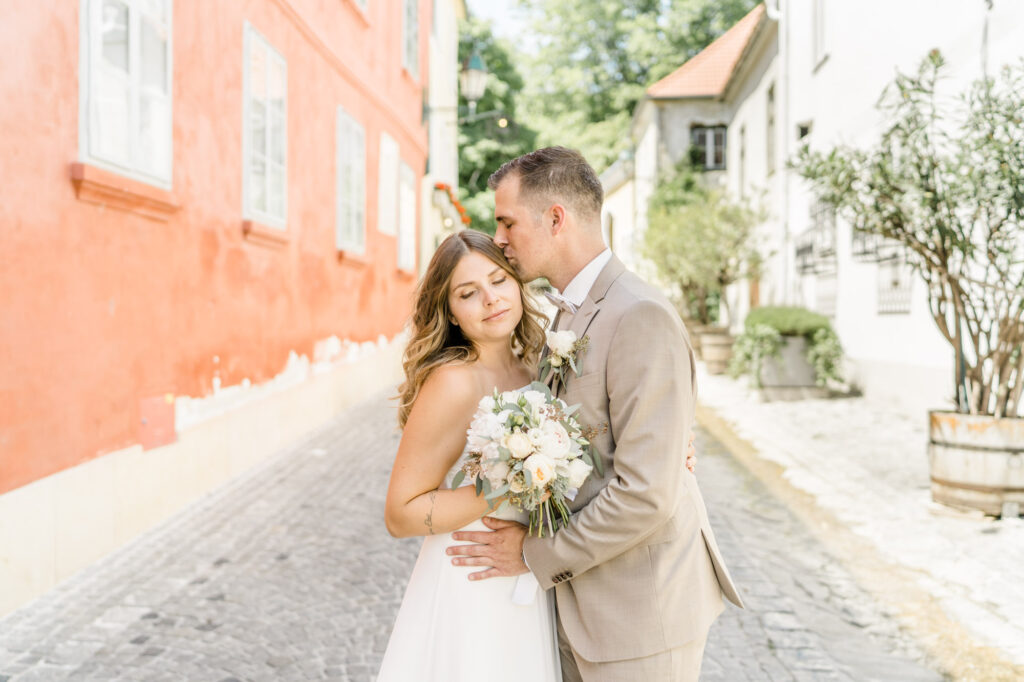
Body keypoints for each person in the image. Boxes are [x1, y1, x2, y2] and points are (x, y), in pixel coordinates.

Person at [445, 147, 744, 682]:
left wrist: (535, 554)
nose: (502, 239)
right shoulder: (567, 310)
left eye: (508, 222)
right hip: (583, 604)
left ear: (555, 218)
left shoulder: (639, 315)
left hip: (640, 614)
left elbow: (646, 492)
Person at [376, 229, 698, 681]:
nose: (491, 299)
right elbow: (400, 513)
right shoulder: (453, 381)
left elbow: (592, 431)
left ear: (517, 282)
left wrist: (667, 442)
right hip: (477, 569)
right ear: (448, 310)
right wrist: (512, 480)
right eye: (469, 293)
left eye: (499, 281)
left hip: (529, 570)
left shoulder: (538, 362)